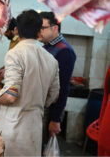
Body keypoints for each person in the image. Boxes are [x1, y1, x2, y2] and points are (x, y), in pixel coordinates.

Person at [0, 9, 60, 156]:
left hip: (14, 130)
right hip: (35, 129)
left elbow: (11, 95)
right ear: (39, 33)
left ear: (16, 30)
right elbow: (53, 96)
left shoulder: (15, 54)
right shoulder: (52, 60)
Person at [39, 12, 76, 146]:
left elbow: (64, 87)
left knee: (42, 148)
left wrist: (55, 119)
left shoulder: (65, 51)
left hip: (50, 111)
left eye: (42, 28)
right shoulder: (47, 46)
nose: (39, 31)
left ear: (55, 28)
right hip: (42, 106)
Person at [0, 17, 19, 86]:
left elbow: (17, 64)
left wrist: (1, 76)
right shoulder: (13, 40)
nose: (5, 34)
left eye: (6, 32)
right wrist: (3, 68)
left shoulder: (19, 42)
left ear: (14, 29)